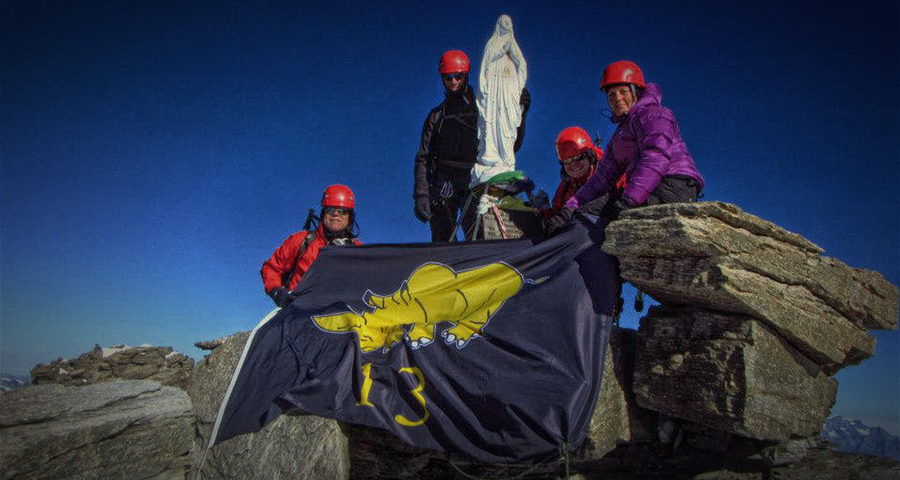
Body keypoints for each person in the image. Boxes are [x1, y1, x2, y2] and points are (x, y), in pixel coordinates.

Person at [549, 60, 703, 232]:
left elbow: (655, 157)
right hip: (644, 190)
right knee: (582, 214)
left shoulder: (654, 115)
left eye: (623, 92)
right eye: (611, 96)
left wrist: (629, 200)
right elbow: (602, 177)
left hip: (673, 184)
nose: (618, 99)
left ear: (635, 91)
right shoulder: (620, 134)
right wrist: (569, 209)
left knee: (594, 220)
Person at [413, 50, 530, 242]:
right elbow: (423, 157)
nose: (453, 82)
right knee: (442, 236)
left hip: (474, 178)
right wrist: (421, 194)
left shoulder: (483, 109)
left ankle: (476, 269)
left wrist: (520, 113)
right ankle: (446, 268)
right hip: (444, 182)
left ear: (466, 75)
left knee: (478, 233)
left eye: (458, 76)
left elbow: (510, 144)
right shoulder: (437, 116)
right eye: (448, 78)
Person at [261, 184, 362, 308]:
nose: (336, 214)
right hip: (297, 314)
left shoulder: (359, 251)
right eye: (330, 210)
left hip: (339, 318)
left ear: (350, 217)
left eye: (342, 211)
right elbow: (271, 268)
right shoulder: (301, 240)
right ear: (323, 213)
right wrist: (276, 291)